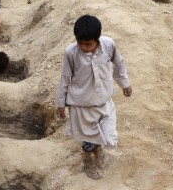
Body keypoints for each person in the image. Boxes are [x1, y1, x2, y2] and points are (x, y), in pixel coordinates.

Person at [55, 15, 133, 179]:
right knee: (89, 136)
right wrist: (60, 103)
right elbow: (65, 78)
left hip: (104, 99)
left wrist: (124, 83)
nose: (83, 47)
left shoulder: (108, 45)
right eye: (80, 43)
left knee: (106, 132)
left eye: (88, 44)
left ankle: (97, 149)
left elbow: (119, 63)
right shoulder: (71, 53)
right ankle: (87, 161)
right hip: (81, 103)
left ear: (97, 39)